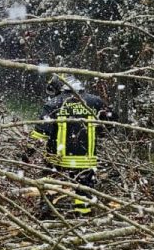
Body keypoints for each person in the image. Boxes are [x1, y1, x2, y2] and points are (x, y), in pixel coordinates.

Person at [29, 74, 113, 217]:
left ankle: (47, 213)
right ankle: (83, 218)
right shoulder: (95, 102)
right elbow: (109, 123)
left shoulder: (54, 104)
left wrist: (27, 154)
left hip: (57, 158)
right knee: (84, 190)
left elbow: (40, 135)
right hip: (86, 158)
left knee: (49, 185)